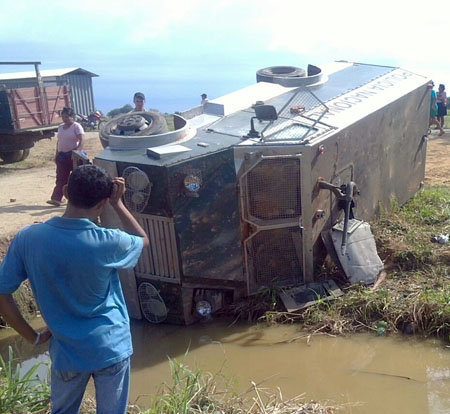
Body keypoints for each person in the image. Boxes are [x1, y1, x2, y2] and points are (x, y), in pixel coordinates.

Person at [0, 164, 149, 414]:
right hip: (110, 347)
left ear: (66, 191)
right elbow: (143, 240)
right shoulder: (108, 241)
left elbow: (2, 291)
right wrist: (119, 205)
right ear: (103, 202)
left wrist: (31, 336)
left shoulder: (29, 238)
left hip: (66, 352)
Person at [47, 107, 84, 206]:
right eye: (63, 117)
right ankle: (56, 199)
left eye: (67, 117)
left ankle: (79, 199)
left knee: (77, 178)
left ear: (72, 117)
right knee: (61, 178)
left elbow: (81, 140)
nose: (65, 119)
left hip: (73, 156)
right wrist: (56, 154)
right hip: (62, 156)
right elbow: (59, 141)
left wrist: (77, 154)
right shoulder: (60, 127)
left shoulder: (77, 126)